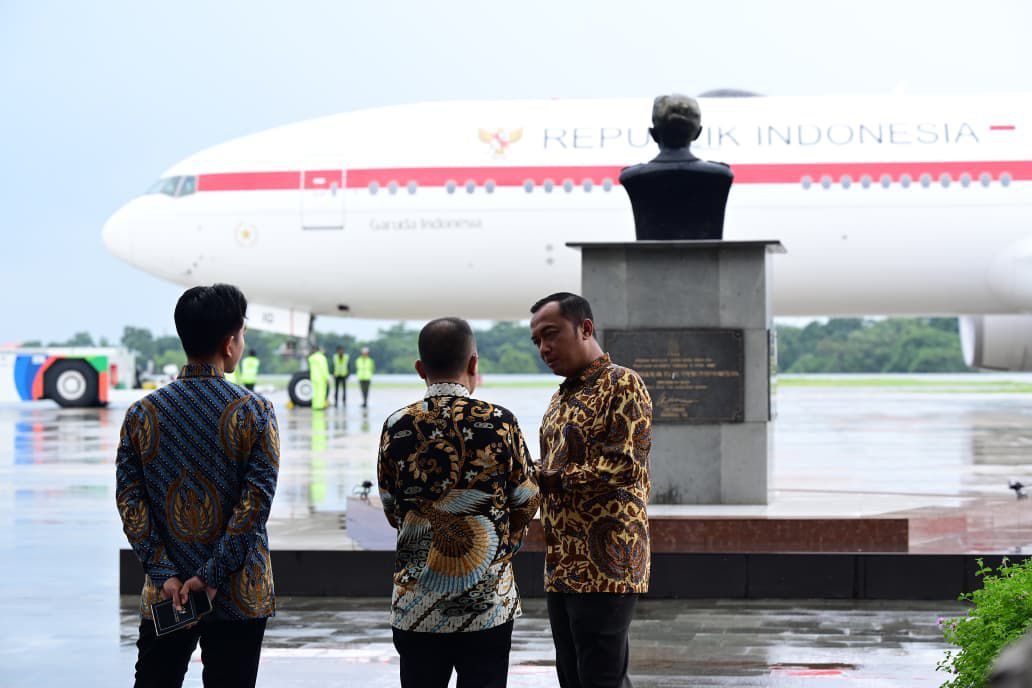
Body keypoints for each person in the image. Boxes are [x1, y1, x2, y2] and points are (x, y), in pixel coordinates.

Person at [116, 284, 279, 688]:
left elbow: (129, 501)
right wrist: (211, 576)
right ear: (229, 344)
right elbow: (254, 504)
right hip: (238, 594)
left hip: (167, 594)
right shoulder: (254, 412)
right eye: (241, 335)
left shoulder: (143, 414)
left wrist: (165, 572)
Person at [377, 317, 540, 688]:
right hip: (485, 609)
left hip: (415, 606)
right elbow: (527, 498)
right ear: (473, 365)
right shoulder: (501, 423)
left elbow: (391, 507)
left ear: (420, 369)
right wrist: (504, 546)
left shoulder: (396, 425)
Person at [529, 292, 652, 688]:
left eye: (551, 334)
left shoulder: (622, 383)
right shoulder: (560, 398)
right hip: (563, 563)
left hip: (607, 564)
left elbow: (625, 464)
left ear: (585, 328)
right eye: (537, 342)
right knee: (573, 677)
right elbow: (552, 467)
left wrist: (550, 477)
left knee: (601, 678)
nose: (544, 349)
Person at [307, 345, 330, 410]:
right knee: (321, 392)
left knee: (315, 392)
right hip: (321, 378)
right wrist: (327, 378)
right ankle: (320, 406)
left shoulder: (311, 358)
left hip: (313, 377)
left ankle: (315, 406)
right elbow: (324, 368)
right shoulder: (322, 358)